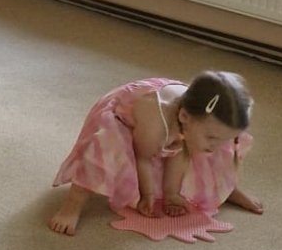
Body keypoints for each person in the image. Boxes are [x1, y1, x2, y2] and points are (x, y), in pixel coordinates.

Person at [48, 68, 263, 236]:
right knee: (106, 149)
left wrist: (171, 194)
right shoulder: (155, 125)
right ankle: (72, 205)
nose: (216, 145)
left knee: (214, 148)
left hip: (181, 123)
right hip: (124, 119)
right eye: (213, 138)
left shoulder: (197, 121)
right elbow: (144, 158)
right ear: (184, 117)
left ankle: (226, 189)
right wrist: (147, 195)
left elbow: (182, 151)